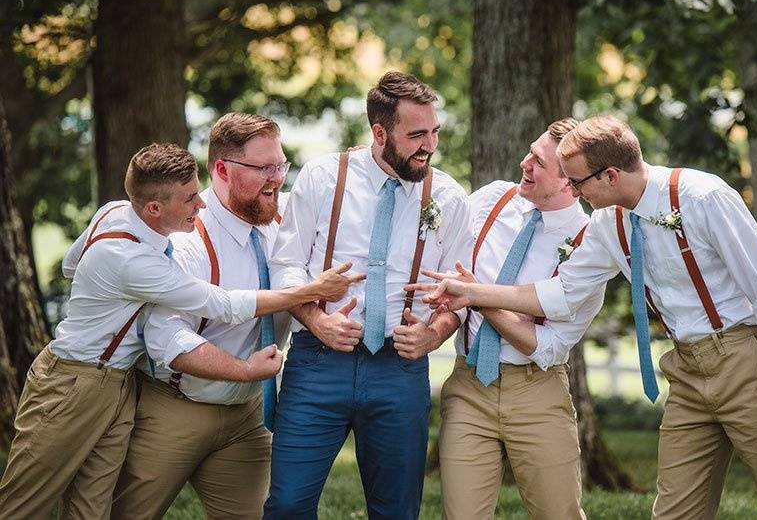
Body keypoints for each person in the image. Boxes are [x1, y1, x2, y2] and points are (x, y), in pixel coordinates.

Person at [411, 115, 757, 519]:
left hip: (745, 360)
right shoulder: (607, 224)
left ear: (611, 175)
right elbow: (559, 295)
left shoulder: (702, 197)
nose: (574, 192)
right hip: (685, 369)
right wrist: (474, 292)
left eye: (578, 182)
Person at [0, 142, 359, 520]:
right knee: (25, 503)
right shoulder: (137, 262)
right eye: (190, 200)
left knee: (92, 507)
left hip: (119, 383)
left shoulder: (114, 211)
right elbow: (223, 304)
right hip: (73, 380)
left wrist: (354, 165)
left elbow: (73, 265)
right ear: (154, 208)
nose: (201, 205)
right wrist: (309, 291)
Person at [264, 71, 473, 519]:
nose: (429, 146)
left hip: (400, 370)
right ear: (379, 133)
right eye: (416, 135)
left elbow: (462, 293)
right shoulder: (322, 178)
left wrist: (434, 336)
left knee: (397, 510)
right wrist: (318, 320)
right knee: (286, 504)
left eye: (434, 132)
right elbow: (285, 267)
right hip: (318, 365)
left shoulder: (451, 198)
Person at [111, 114, 329, 518]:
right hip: (175, 407)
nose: (277, 178)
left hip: (248, 416)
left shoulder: (284, 226)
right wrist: (245, 370)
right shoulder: (187, 237)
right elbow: (167, 338)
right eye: (263, 168)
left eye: (280, 165)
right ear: (223, 170)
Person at [435, 118, 603, 519]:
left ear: (570, 182)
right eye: (531, 151)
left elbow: (546, 346)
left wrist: (477, 296)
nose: (524, 163)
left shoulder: (588, 242)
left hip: (537, 394)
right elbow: (432, 210)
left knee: (557, 514)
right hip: (469, 386)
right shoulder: (492, 199)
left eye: (538, 162)